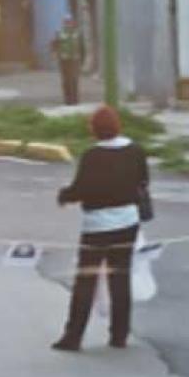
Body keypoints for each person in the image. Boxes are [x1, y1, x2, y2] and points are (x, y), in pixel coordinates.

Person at [53, 106, 149, 351]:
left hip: (97, 227)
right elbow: (143, 181)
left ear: (94, 130)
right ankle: (119, 335)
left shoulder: (92, 156)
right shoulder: (135, 151)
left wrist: (64, 195)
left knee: (86, 280)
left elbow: (81, 189)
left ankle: (73, 336)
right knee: (120, 279)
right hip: (128, 223)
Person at [51, 15, 86, 105]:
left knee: (74, 80)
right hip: (64, 60)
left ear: (73, 23)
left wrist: (82, 60)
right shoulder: (59, 33)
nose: (68, 24)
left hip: (75, 60)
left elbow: (82, 48)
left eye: (70, 22)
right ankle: (67, 100)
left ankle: (75, 100)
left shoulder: (77, 33)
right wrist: (55, 54)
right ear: (63, 23)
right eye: (66, 22)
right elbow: (54, 45)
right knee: (66, 80)